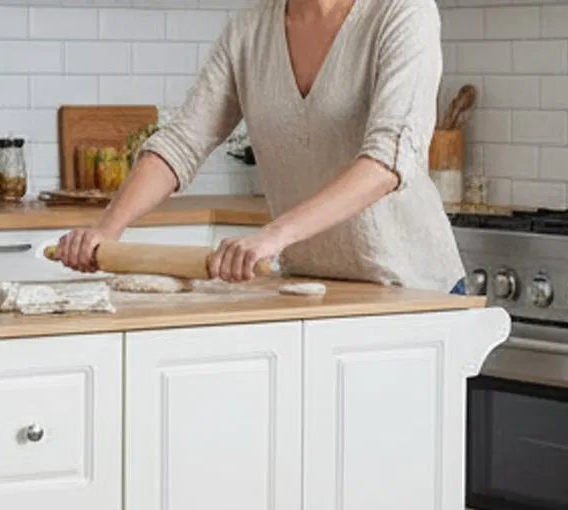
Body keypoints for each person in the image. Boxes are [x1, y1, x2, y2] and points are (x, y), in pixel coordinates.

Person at [55, 0, 466, 294]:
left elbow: (389, 159)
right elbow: (183, 142)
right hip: (314, 287)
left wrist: (274, 235)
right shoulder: (248, 31)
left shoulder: (403, 13)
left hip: (413, 288)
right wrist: (107, 229)